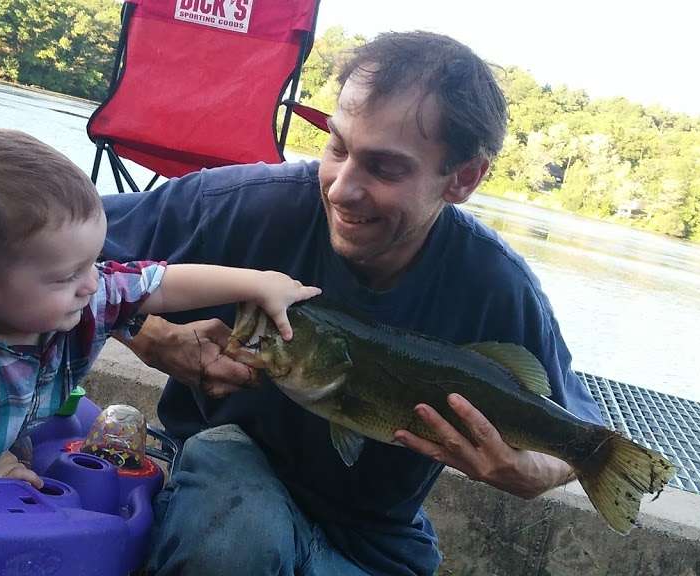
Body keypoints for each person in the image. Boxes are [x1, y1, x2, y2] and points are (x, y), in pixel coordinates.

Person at [101, 32, 604, 575]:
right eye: (337, 146)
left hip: (377, 536)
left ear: (464, 178)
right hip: (226, 475)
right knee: (234, 547)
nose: (341, 187)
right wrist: (148, 334)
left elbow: (581, 433)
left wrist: (529, 472)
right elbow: (39, 243)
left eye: (384, 168)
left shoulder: (497, 285)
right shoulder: (243, 206)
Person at [0, 129, 319, 491]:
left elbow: (158, 283)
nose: (92, 283)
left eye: (94, 262)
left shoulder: (73, 295)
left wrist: (256, 282)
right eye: (67, 275)